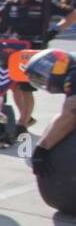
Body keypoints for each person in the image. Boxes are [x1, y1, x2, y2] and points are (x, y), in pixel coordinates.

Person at [0, 0, 76, 127]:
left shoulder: (44, 2)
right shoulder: (12, 3)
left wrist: (56, 29)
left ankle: (23, 122)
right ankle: (25, 117)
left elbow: (72, 13)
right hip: (15, 47)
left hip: (34, 48)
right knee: (13, 85)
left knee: (25, 86)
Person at [24, 48, 76, 178]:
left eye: (42, 79)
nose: (44, 83)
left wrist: (42, 148)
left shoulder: (73, 77)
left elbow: (68, 116)